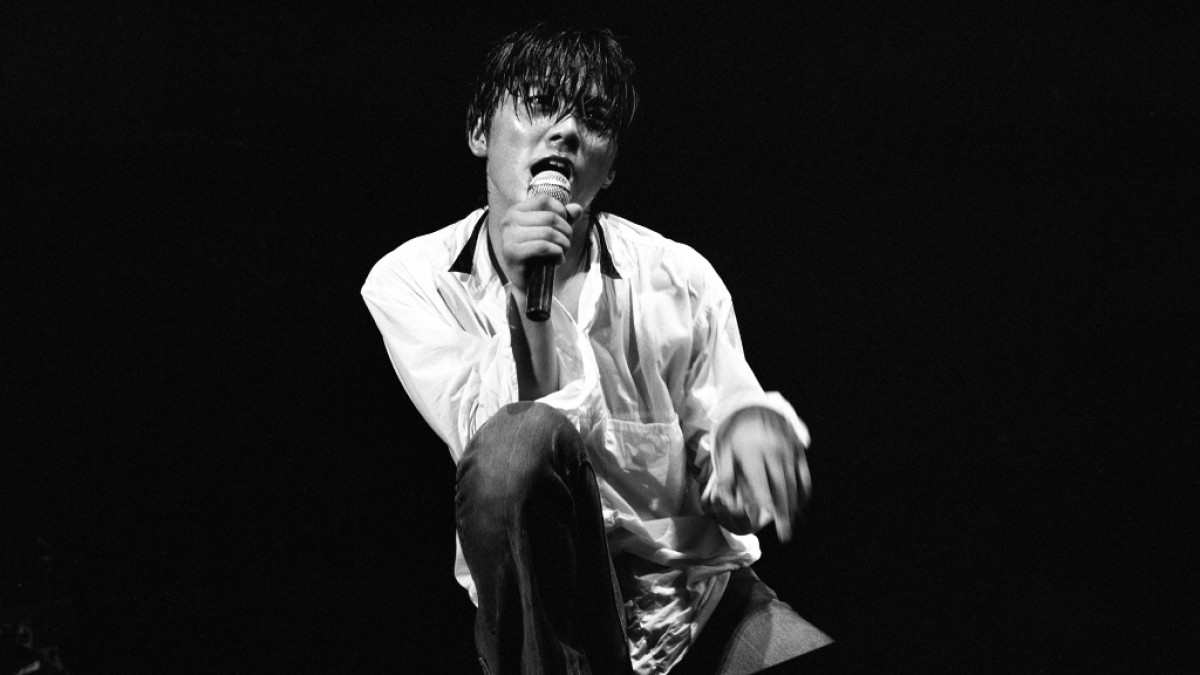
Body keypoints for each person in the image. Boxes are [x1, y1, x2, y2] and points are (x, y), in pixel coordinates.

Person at [362, 22, 832, 674]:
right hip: (556, 627)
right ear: (479, 129)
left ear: (610, 169)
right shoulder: (413, 280)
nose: (565, 131)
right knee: (515, 443)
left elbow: (730, 481)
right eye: (539, 103)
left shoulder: (677, 277)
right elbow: (500, 460)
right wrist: (527, 302)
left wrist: (749, 444)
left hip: (699, 606)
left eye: (593, 119)